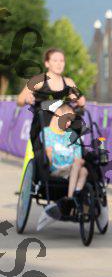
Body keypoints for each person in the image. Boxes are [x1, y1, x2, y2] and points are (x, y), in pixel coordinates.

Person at [16, 48, 86, 182]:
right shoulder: (38, 80)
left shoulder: (68, 82)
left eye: (61, 61)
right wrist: (27, 99)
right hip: (43, 125)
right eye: (55, 60)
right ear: (47, 63)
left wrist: (77, 99)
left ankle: (75, 171)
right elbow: (19, 100)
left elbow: (82, 101)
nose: (59, 64)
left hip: (64, 127)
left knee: (77, 125)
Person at [37, 102, 88, 230]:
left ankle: (72, 197)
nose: (69, 123)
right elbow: (47, 156)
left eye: (71, 121)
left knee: (83, 170)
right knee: (80, 168)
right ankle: (71, 198)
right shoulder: (46, 133)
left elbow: (78, 157)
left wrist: (78, 161)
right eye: (68, 119)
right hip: (56, 170)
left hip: (72, 170)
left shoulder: (72, 136)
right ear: (58, 114)